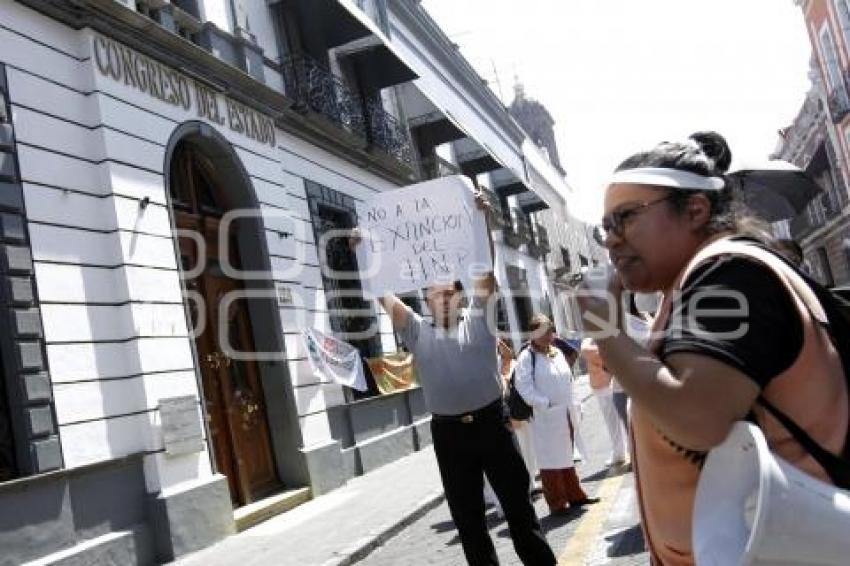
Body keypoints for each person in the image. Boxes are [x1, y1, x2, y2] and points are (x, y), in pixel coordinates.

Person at [576, 131, 849, 565]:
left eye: (625, 217)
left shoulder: (727, 273)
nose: (611, 239)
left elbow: (697, 417)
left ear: (696, 211)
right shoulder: (698, 282)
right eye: (604, 227)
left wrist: (606, 330)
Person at [352, 194, 556, 566]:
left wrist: (480, 224)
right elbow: (382, 292)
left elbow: (485, 277)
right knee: (469, 523)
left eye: (449, 293)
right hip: (449, 436)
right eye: (434, 295)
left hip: (493, 426)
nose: (442, 299)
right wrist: (363, 254)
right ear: (426, 302)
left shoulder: (479, 319)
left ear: (460, 298)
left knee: (518, 510)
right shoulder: (415, 332)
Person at [515, 314, 598, 515]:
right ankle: (556, 502)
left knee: (566, 455)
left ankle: (575, 494)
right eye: (542, 332)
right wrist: (545, 403)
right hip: (546, 416)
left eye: (549, 331)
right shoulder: (527, 357)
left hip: (565, 414)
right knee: (550, 460)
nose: (547, 336)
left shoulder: (556, 352)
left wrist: (575, 404)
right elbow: (524, 387)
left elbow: (567, 379)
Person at [580, 337, 627, 466]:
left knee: (625, 420)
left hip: (613, 384)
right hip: (602, 386)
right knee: (612, 422)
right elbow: (585, 351)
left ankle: (623, 453)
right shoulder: (589, 340)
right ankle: (619, 453)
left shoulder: (610, 337)